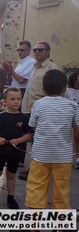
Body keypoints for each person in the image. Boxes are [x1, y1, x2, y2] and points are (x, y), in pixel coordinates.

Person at [25, 69, 79, 213]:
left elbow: (32, 126)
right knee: (62, 190)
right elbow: (77, 133)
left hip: (40, 154)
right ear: (65, 88)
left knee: (36, 188)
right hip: (63, 156)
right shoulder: (73, 106)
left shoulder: (38, 104)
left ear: (43, 89)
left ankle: (33, 227)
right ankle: (60, 226)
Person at [0, 86, 32, 209]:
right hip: (1, 150)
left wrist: (18, 141)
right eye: (12, 99)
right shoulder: (1, 116)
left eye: (18, 99)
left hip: (14, 152)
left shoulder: (23, 118)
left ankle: (11, 197)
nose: (16, 101)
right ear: (5, 101)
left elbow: (28, 134)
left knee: (11, 174)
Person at [19, 41, 58, 180]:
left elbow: (54, 91)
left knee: (40, 142)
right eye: (35, 50)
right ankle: (33, 168)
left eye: (40, 50)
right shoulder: (35, 67)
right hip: (30, 109)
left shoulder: (51, 68)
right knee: (34, 142)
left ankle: (37, 171)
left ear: (48, 52)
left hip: (43, 110)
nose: (37, 52)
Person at [1, 40, 35, 167]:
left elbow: (21, 80)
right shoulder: (21, 64)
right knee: (12, 124)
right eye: (18, 50)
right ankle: (10, 153)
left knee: (20, 125)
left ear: (28, 50)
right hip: (14, 91)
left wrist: (11, 70)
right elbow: (12, 80)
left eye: (22, 50)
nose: (20, 52)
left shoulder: (31, 63)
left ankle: (20, 158)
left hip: (22, 94)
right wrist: (8, 71)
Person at [64, 71, 79, 169]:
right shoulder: (67, 91)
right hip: (70, 116)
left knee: (78, 136)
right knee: (73, 137)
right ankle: (74, 158)